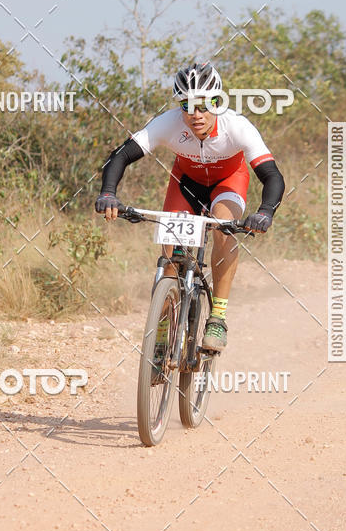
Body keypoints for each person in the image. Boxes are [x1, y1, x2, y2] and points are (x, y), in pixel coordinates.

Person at [95, 61, 285, 352]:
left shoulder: (237, 126)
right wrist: (108, 193)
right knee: (170, 259)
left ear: (217, 101)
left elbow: (271, 175)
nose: (195, 114)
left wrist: (265, 212)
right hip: (186, 185)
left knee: (223, 229)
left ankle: (218, 317)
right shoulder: (168, 123)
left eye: (203, 104)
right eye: (186, 105)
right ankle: (162, 331)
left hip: (228, 183)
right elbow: (119, 156)